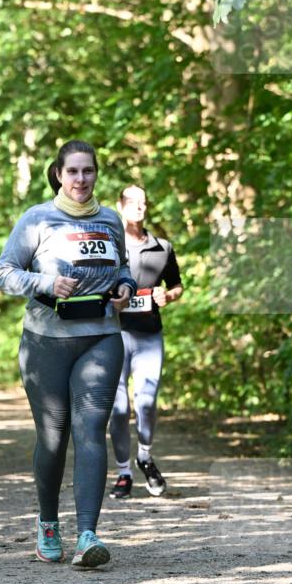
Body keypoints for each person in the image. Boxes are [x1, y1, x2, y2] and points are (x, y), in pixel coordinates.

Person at [0, 139, 136, 569]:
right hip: (46, 341)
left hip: (101, 336)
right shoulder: (37, 218)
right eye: (73, 171)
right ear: (59, 174)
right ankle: (48, 523)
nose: (81, 179)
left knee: (91, 429)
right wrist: (46, 284)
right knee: (53, 438)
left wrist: (126, 286)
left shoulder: (110, 220)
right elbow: (4, 273)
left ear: (96, 174)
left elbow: (123, 267)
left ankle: (88, 535)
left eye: (88, 170)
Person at [108, 185, 183, 499]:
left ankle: (144, 456)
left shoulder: (162, 247)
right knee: (118, 407)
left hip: (149, 335)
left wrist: (168, 296)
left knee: (147, 402)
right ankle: (123, 472)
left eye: (142, 202)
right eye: (131, 202)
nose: (138, 207)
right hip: (114, 336)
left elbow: (176, 285)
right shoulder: (110, 246)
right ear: (120, 206)